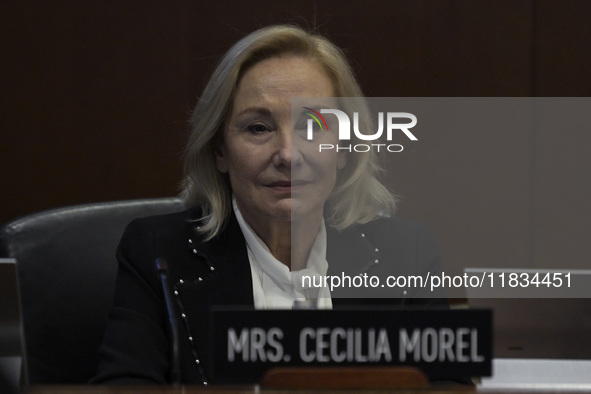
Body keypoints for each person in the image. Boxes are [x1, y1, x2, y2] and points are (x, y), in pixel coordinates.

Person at [92, 25, 445, 385]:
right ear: (219, 151)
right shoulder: (157, 255)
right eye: (258, 128)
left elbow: (450, 384)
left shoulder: (408, 253)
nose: (289, 155)